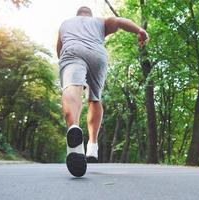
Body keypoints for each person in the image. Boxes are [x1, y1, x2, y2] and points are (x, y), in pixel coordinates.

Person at [56, 6, 149, 177]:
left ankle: (74, 129)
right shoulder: (98, 21)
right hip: (97, 55)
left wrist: (66, 64)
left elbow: (58, 50)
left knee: (72, 87)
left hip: (72, 50)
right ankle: (92, 146)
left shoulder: (66, 24)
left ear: (77, 15)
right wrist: (140, 30)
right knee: (94, 98)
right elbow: (119, 22)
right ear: (89, 15)